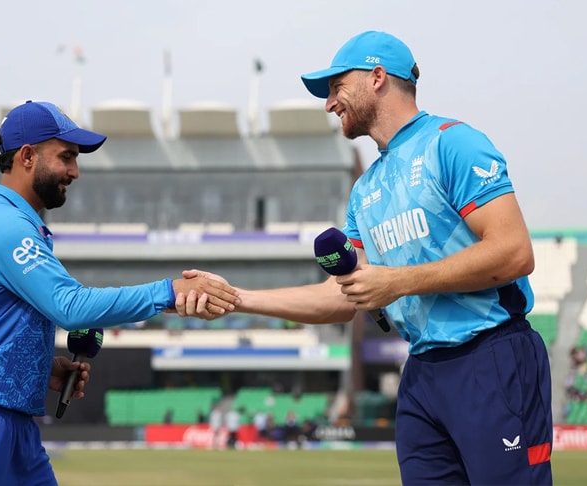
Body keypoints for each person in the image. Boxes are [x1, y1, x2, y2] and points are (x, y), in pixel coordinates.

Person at [176, 31, 552, 485]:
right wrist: (236, 297)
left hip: (491, 357)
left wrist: (397, 282)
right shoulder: (364, 191)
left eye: (337, 87)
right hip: (422, 373)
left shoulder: (453, 143)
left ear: (377, 77)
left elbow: (514, 252)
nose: (330, 103)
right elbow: (341, 297)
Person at [0, 100, 239, 486]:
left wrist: (37, 368)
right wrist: (169, 291)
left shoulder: (9, 221)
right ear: (26, 156)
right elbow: (70, 307)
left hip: (9, 421)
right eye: (66, 157)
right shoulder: (5, 224)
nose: (74, 171)